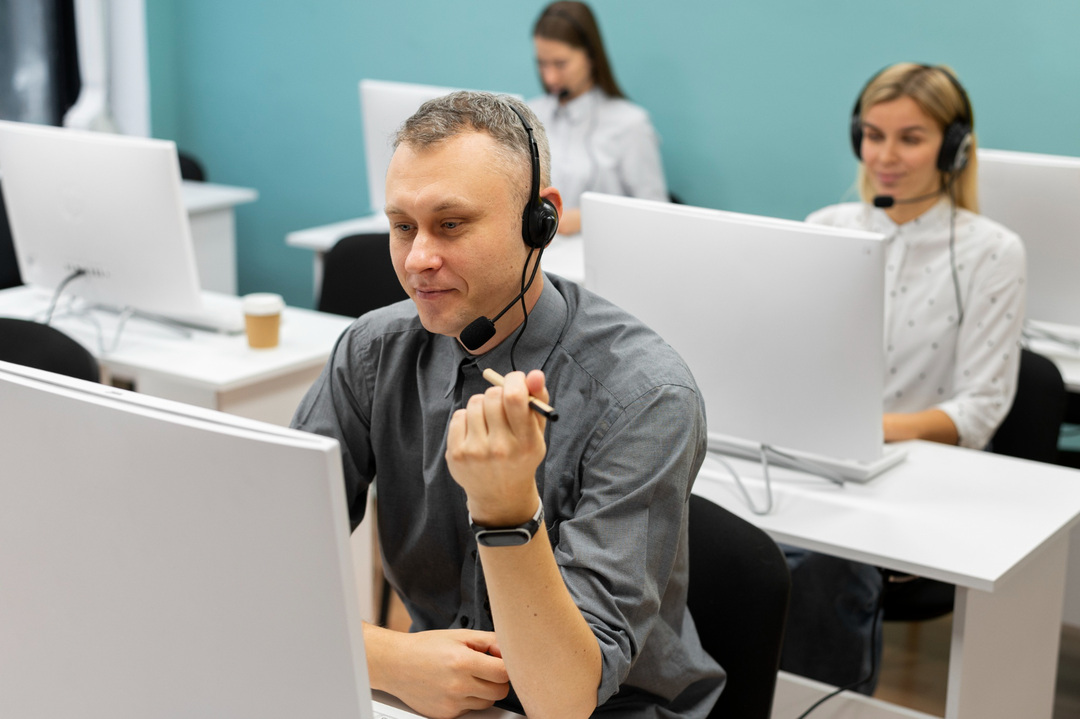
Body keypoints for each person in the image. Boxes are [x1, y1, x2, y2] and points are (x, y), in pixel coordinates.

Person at [291, 91, 723, 719]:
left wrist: (506, 508)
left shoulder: (645, 396)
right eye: (403, 226)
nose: (417, 260)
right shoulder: (372, 352)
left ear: (540, 221)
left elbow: (563, 700)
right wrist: (387, 658)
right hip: (438, 693)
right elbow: (260, 558)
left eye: (451, 225)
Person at [780, 63, 1027, 693]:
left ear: (954, 148)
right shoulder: (826, 227)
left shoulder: (991, 251)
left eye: (910, 138)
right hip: (816, 461)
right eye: (872, 135)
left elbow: (980, 410)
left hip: (919, 476)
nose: (885, 156)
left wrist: (869, 430)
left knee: (818, 563)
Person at [528, 1, 668, 236]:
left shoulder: (630, 124)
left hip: (602, 249)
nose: (550, 77)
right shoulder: (530, 116)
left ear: (591, 56)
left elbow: (657, 213)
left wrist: (587, 217)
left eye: (560, 64)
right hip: (540, 252)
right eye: (542, 64)